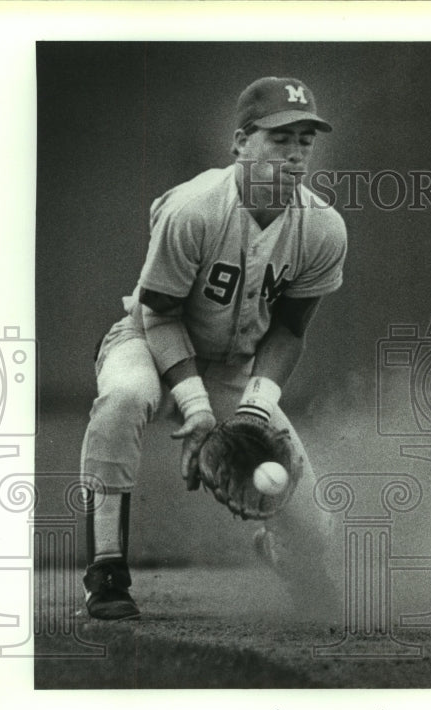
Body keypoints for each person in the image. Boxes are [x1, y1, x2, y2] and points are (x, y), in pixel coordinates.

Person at [80, 76, 347, 620]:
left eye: (305, 140)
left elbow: (290, 330)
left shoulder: (322, 228)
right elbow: (159, 312)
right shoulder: (195, 208)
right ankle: (106, 567)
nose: (295, 153)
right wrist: (197, 409)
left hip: (233, 366)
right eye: (279, 138)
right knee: (125, 397)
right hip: (149, 340)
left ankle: (279, 551)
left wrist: (253, 407)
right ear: (241, 142)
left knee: (317, 526)